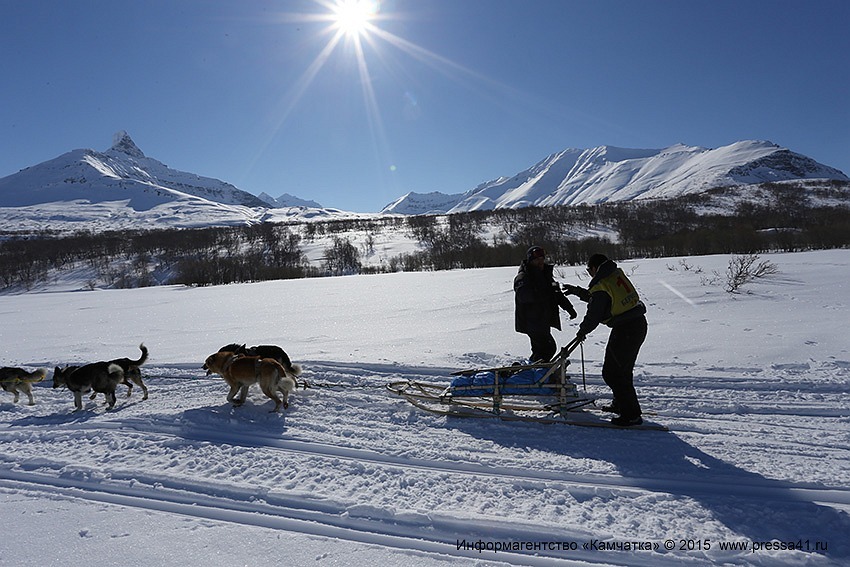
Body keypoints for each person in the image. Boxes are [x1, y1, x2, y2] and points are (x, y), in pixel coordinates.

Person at [565, 254, 647, 426]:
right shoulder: (614, 274)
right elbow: (604, 300)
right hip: (636, 324)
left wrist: (582, 331)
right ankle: (621, 405)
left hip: (627, 329)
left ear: (595, 268)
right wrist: (578, 292)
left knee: (612, 373)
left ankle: (631, 415)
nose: (589, 274)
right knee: (622, 370)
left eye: (589, 270)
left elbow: (595, 312)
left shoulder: (601, 284)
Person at [514, 246, 577, 363]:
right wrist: (542, 294)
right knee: (548, 348)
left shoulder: (545, 275)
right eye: (537, 260)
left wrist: (569, 308)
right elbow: (524, 296)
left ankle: (537, 370)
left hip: (543, 319)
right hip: (531, 321)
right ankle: (536, 370)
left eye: (542, 259)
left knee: (543, 349)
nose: (540, 262)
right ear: (530, 260)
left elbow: (556, 294)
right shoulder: (524, 277)